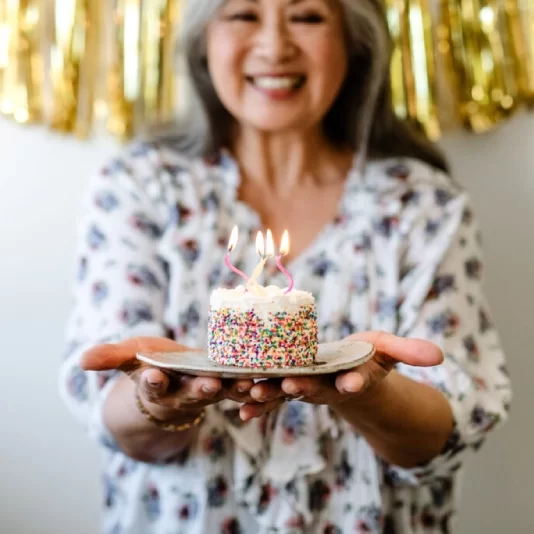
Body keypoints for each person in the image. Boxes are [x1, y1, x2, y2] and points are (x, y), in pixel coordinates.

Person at [58, 0, 512, 532]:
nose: (274, 46)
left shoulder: (422, 205)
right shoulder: (139, 187)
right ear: (204, 40)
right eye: (243, 15)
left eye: (308, 16)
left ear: (355, 42)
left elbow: (440, 432)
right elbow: (120, 424)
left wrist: (372, 396)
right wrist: (157, 399)